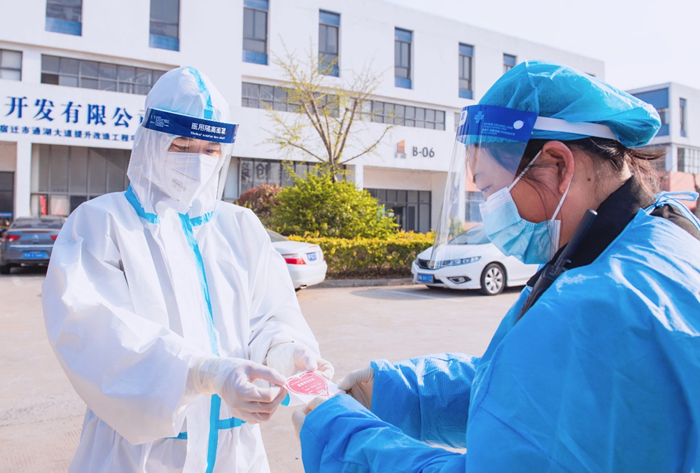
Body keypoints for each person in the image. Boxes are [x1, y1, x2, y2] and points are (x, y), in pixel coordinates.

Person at [292, 61, 700, 472]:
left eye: (489, 190)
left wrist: (340, 438)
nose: (489, 211)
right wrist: (402, 393)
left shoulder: (593, 307)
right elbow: (540, 393)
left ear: (558, 165)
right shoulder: (659, 232)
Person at [42, 66, 333, 473]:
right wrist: (203, 373)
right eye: (181, 145)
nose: (197, 161)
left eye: (210, 150)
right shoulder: (102, 223)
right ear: (151, 141)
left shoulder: (239, 227)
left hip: (235, 451)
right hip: (138, 456)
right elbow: (94, 333)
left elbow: (268, 317)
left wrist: (287, 353)